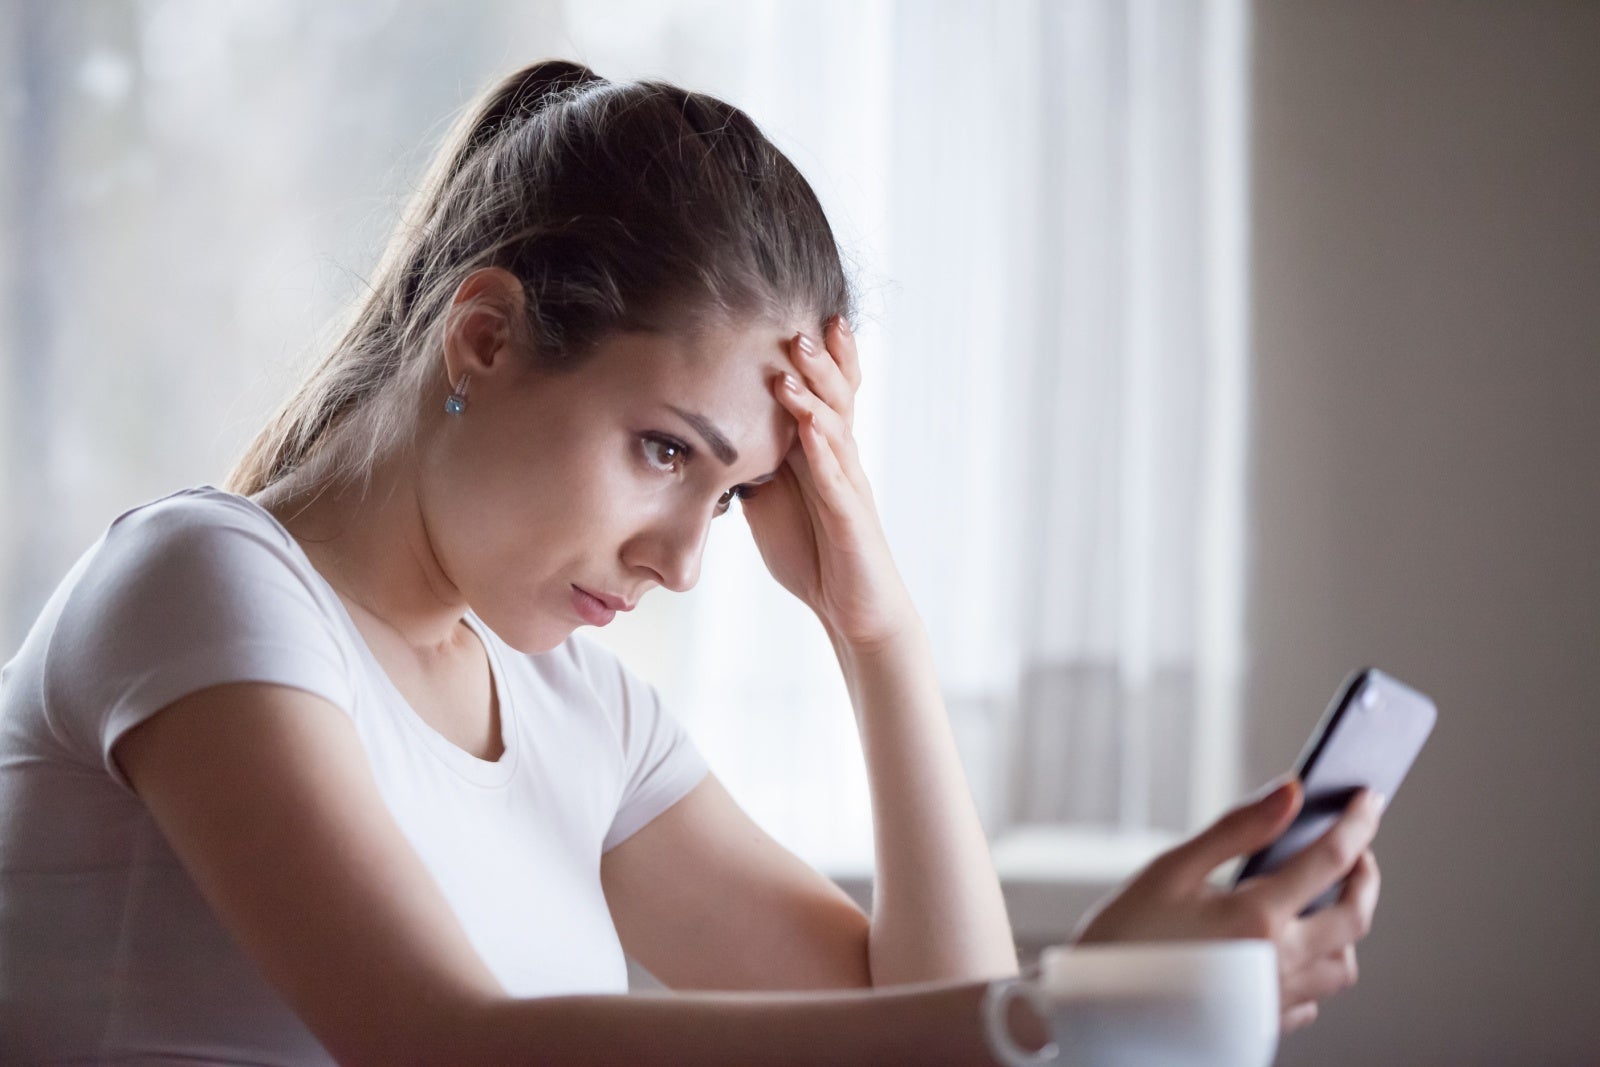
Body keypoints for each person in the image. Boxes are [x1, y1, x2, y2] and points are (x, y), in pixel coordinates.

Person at [0, 59, 1384, 1065]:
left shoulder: (573, 713)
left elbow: (915, 1015)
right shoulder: (206, 581)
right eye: (666, 450)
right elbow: (438, 1045)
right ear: (482, 336)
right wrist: (1079, 1007)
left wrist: (874, 627)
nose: (680, 563)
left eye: (732, 497)